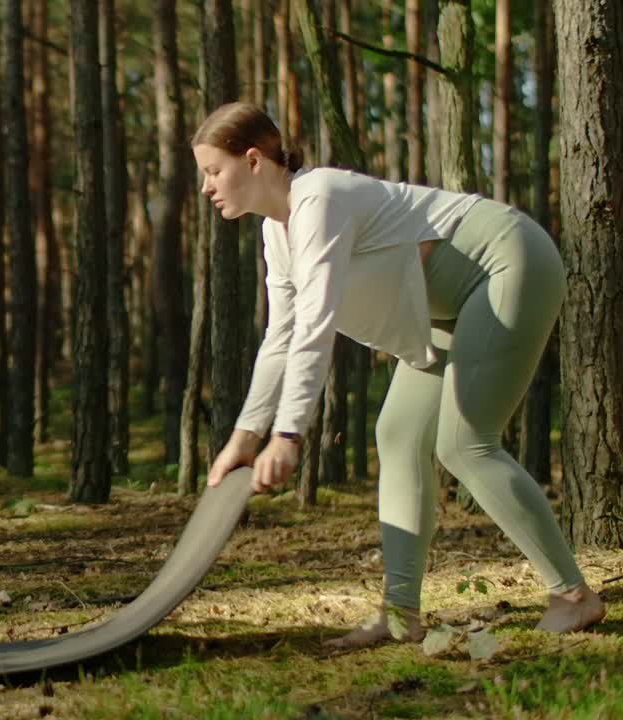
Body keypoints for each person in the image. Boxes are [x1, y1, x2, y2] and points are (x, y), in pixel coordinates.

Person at [195, 101, 606, 648]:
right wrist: (244, 438)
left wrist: (289, 433)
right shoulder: (279, 231)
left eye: (211, 171)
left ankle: (575, 597)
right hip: (450, 308)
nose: (206, 187)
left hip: (508, 261)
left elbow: (316, 323)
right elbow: (282, 337)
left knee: (465, 443)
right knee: (398, 435)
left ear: (252, 160)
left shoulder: (318, 198)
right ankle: (400, 615)